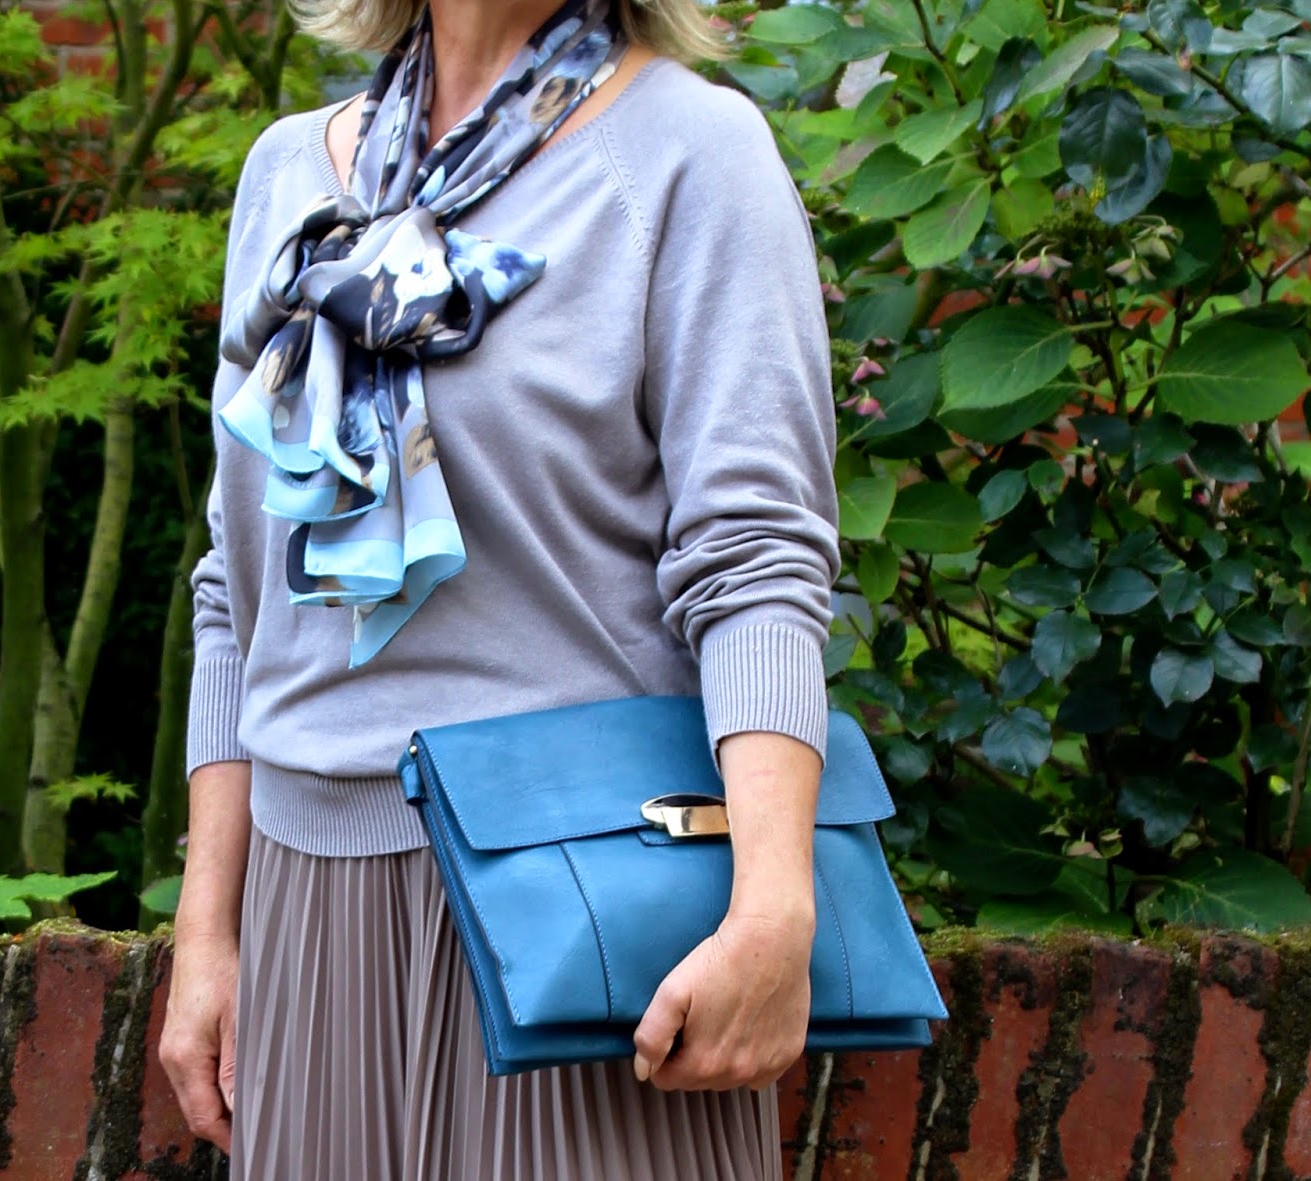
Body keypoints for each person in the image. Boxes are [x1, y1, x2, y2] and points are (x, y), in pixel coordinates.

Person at [158, 0, 840, 1176]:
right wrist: (206, 926)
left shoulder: (692, 154)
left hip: (580, 910)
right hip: (306, 923)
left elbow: (755, 560)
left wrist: (775, 906)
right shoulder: (285, 173)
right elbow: (238, 584)